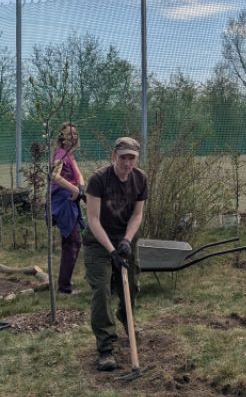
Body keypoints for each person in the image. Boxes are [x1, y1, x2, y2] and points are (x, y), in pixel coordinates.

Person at [84, 136, 148, 372]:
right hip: (98, 241)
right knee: (101, 290)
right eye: (123, 157)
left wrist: (126, 241)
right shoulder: (98, 180)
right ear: (114, 155)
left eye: (132, 158)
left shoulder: (140, 179)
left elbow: (137, 215)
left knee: (130, 286)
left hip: (125, 239)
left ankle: (126, 318)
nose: (127, 163)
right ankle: (105, 347)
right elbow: (92, 219)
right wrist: (111, 250)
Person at [49, 122, 86, 295]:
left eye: (75, 133)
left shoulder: (69, 155)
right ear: (62, 138)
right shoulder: (61, 155)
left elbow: (78, 174)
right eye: (69, 134)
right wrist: (74, 190)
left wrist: (82, 188)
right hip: (63, 204)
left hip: (71, 202)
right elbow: (54, 176)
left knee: (72, 242)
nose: (73, 136)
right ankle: (64, 288)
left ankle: (64, 284)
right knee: (73, 242)